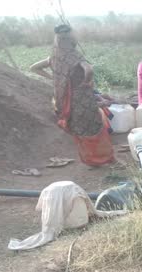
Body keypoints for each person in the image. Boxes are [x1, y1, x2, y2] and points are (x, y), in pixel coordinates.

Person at [29, 24, 115, 167]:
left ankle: (90, 161)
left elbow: (33, 68)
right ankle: (107, 158)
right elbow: (88, 69)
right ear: (71, 39)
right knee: (96, 126)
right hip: (83, 99)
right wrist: (86, 82)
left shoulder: (54, 57)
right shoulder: (75, 56)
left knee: (79, 130)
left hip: (65, 102)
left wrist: (55, 78)